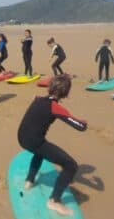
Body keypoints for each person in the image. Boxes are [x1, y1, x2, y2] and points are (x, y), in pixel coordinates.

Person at [17, 74, 87, 216]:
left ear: (50, 87)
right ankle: (54, 201)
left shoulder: (37, 99)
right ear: (66, 92)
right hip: (34, 142)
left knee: (40, 150)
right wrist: (84, 122)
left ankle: (29, 181)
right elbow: (80, 126)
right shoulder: (55, 107)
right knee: (71, 166)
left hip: (22, 138)